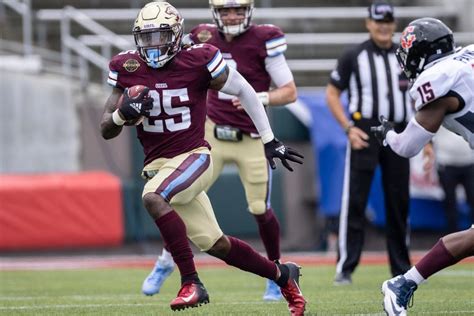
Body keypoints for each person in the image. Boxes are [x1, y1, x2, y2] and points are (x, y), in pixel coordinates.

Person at [100, 2, 306, 315]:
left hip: (193, 156)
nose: (154, 45)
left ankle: (190, 282)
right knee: (217, 244)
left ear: (176, 34)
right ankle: (284, 276)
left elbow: (246, 91)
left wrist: (268, 139)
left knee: (153, 198)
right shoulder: (126, 66)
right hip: (158, 166)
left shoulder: (199, 58)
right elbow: (105, 128)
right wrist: (120, 116)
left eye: (161, 36)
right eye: (148, 37)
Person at [370, 17, 474, 316]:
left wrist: (387, 134)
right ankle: (403, 283)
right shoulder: (465, 58)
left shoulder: (439, 77)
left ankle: (403, 283)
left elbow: (406, 147)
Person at [325, 0, 415, 285]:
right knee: (356, 201)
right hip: (365, 129)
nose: (384, 26)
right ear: (368, 23)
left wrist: (423, 140)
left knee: (399, 201)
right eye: (378, 21)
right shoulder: (354, 55)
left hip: (400, 131)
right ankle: (346, 267)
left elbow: (418, 97)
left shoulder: (406, 55)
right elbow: (332, 93)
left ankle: (401, 268)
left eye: (388, 21)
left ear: (394, 24)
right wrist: (348, 128)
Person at [433, 127, 474, 233]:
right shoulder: (437, 110)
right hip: (446, 163)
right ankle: (453, 238)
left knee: (473, 199)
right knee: (450, 202)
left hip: (469, 162)